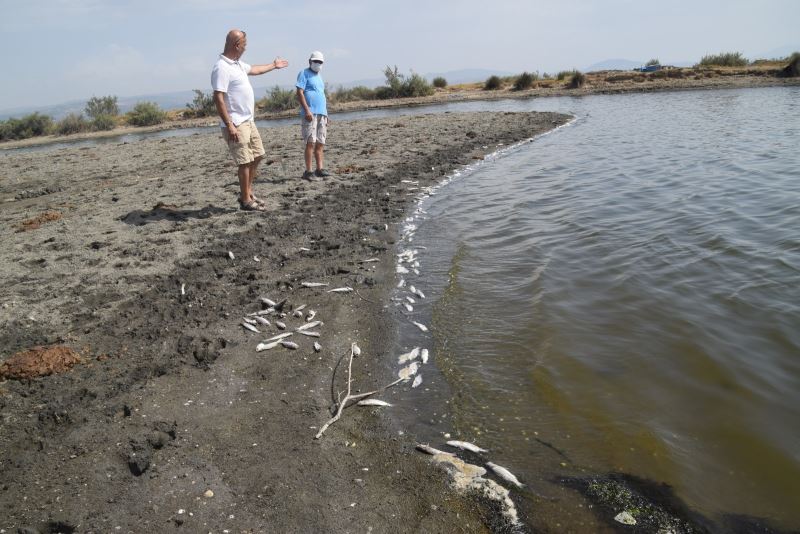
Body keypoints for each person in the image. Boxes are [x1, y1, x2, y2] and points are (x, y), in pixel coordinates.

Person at [211, 29, 288, 211]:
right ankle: (245, 200)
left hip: (248, 121)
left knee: (258, 155)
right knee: (244, 162)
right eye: (244, 44)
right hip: (236, 123)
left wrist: (273, 65)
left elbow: (254, 69)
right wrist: (230, 125)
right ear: (237, 45)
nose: (246, 47)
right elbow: (218, 98)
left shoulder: (237, 64)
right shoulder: (221, 67)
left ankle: (248, 191)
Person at [295, 51, 330, 181]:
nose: (318, 64)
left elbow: (321, 95)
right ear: (310, 61)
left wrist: (326, 113)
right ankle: (308, 171)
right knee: (310, 142)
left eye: (320, 62)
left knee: (320, 142)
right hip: (310, 114)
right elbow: (299, 92)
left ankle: (319, 169)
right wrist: (307, 110)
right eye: (316, 61)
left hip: (322, 113)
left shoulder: (319, 77)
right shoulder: (304, 73)